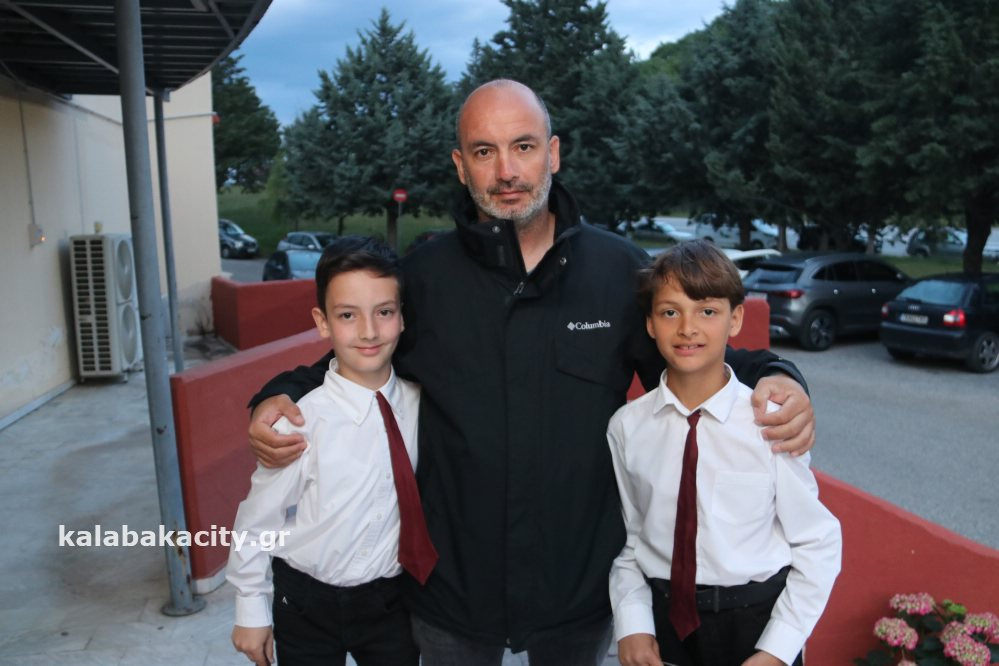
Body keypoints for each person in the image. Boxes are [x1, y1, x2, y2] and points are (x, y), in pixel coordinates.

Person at [246, 79, 817, 665]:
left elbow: (692, 359)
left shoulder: (618, 270)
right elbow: (354, 357)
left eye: (523, 146)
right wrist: (277, 394)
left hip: (578, 593)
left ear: (553, 152)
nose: (506, 171)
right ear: (461, 166)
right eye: (484, 151)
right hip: (452, 594)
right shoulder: (424, 278)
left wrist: (778, 372)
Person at [609, 241, 841, 666]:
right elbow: (631, 539)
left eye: (707, 311)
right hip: (665, 626)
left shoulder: (770, 423)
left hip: (756, 626)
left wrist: (778, 649)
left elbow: (817, 541)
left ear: (735, 320)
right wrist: (632, 623)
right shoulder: (627, 427)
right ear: (650, 324)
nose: (688, 328)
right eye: (670, 312)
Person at [227, 236, 428, 666]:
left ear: (403, 317)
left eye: (384, 312)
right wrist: (250, 610)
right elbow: (257, 522)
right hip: (306, 603)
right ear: (323, 323)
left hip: (392, 601)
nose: (369, 331)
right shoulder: (300, 420)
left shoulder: (421, 406)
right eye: (347, 315)